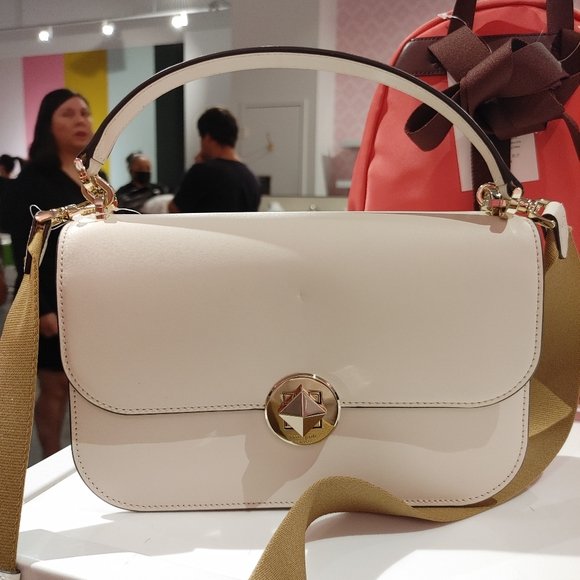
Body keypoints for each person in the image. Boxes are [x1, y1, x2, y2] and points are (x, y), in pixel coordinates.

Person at [8, 88, 95, 458]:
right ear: (49, 124)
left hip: (90, 297)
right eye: (68, 114)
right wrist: (43, 307)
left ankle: (86, 458)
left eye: (84, 113)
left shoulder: (93, 177)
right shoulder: (32, 179)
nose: (80, 120)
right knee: (56, 385)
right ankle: (50, 457)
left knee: (88, 384)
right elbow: (24, 246)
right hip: (48, 297)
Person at [169, 107, 261, 213]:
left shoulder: (202, 172)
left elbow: (174, 210)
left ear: (208, 138)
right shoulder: (252, 179)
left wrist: (197, 167)